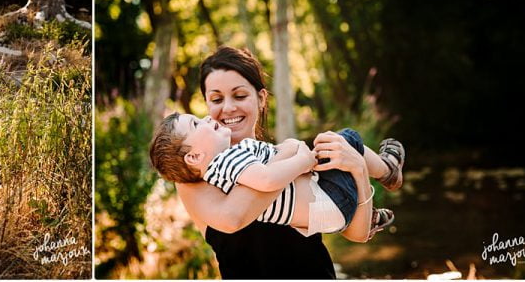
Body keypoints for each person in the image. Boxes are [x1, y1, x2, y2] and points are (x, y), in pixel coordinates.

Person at [162, 46, 403, 278]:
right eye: (216, 99)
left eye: (240, 95)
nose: (228, 107)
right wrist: (288, 156)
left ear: (261, 98)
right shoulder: (193, 177)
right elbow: (233, 218)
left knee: (345, 140)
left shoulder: (282, 155)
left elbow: (357, 233)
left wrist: (359, 171)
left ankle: (388, 171)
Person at [150, 112, 403, 240]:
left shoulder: (221, 170)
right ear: (194, 158)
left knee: (337, 146)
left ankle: (375, 202)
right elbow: (268, 179)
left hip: (329, 210)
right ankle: (387, 170)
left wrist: (290, 151)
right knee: (345, 138)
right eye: (196, 124)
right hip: (331, 201)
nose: (207, 117)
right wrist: (302, 159)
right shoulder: (225, 161)